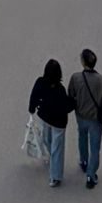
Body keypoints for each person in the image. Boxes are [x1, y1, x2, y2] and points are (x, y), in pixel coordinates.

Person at [67, 50, 102, 191]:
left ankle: (83, 161)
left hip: (80, 116)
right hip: (95, 120)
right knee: (95, 147)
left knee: (82, 137)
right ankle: (91, 175)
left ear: (83, 62)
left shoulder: (75, 78)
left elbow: (71, 94)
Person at [28, 58, 74, 187]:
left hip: (45, 118)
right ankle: (55, 175)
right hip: (59, 122)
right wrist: (74, 102)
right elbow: (67, 107)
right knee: (57, 148)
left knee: (47, 140)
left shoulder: (40, 82)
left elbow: (34, 96)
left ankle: (53, 164)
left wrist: (31, 109)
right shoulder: (60, 90)